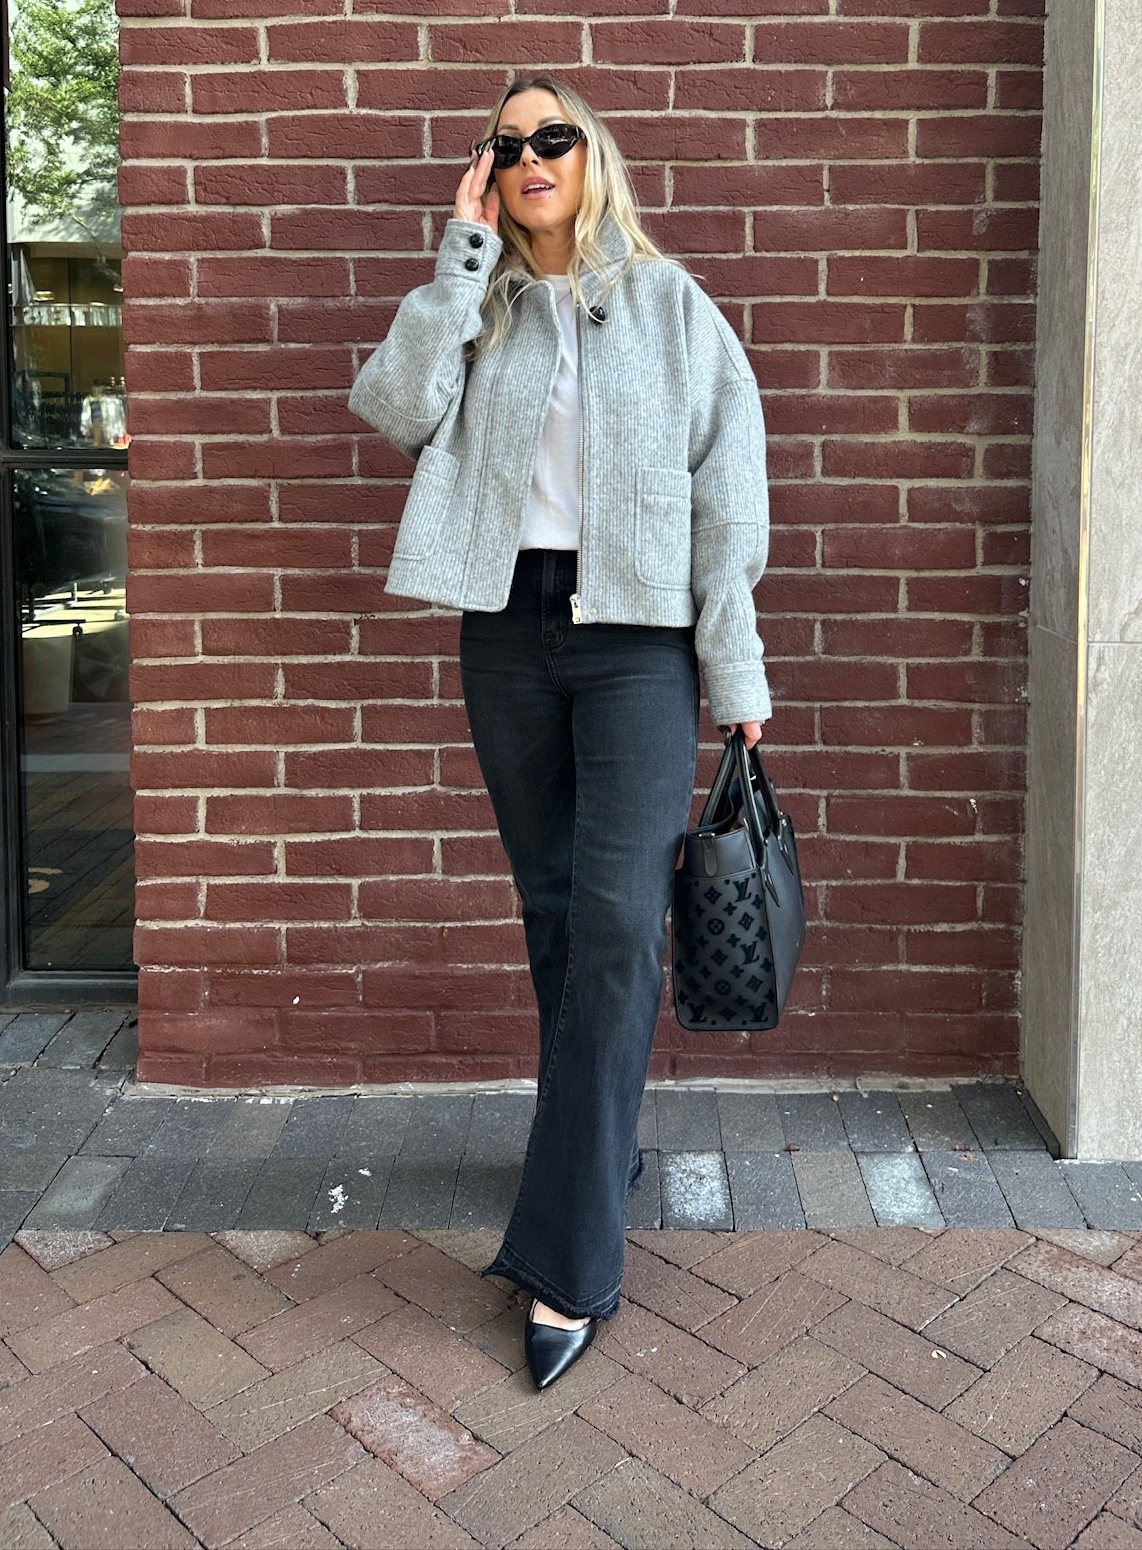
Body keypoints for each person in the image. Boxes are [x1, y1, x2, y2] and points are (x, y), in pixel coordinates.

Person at [348, 72, 772, 1388]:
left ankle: (571, 1260)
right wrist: (459, 259)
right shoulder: (476, 309)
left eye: (555, 137)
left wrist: (735, 668)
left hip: (637, 640)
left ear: (594, 158)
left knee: (614, 925)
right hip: (509, 629)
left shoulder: (670, 305)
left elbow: (728, 497)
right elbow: (392, 407)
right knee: (553, 914)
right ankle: (601, 1148)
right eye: (509, 143)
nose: (532, 156)